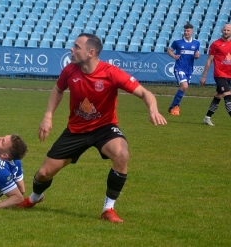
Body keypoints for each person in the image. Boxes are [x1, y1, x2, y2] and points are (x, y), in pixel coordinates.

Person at [17, 33, 167, 223]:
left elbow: (145, 93)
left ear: (91, 52)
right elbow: (58, 90)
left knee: (122, 154)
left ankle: (108, 209)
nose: (71, 49)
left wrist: (153, 109)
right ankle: (34, 198)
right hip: (75, 130)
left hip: (104, 128)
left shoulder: (111, 73)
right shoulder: (69, 70)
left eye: (77, 47)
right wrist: (48, 115)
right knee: (44, 173)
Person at [200, 23, 231, 126]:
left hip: (229, 74)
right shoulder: (216, 44)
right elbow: (209, 60)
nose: (226, 32)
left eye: (228, 30)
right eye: (225, 30)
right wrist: (204, 76)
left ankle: (207, 118)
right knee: (227, 96)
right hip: (220, 74)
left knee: (218, 96)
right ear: (222, 31)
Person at [167, 23, 200, 116]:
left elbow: (196, 55)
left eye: (188, 31)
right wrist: (174, 56)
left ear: (192, 32)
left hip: (189, 69)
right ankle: (176, 106)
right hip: (179, 68)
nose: (186, 32)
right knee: (184, 86)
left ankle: (172, 106)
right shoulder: (177, 42)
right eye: (185, 30)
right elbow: (169, 50)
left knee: (184, 88)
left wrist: (197, 56)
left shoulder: (196, 43)